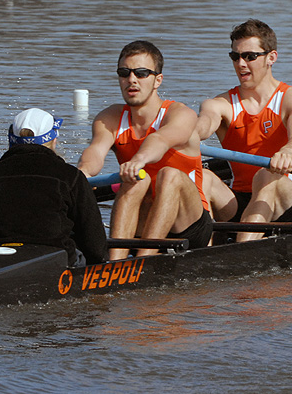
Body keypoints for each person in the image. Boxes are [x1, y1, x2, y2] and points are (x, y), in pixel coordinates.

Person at [78, 40, 212, 260]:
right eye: (124, 72)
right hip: (144, 217)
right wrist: (82, 173)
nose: (132, 80)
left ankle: (143, 260)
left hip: (189, 224)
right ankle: (115, 263)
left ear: (158, 80)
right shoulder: (109, 118)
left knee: (168, 175)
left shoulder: (180, 114)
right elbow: (95, 152)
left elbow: (159, 140)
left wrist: (138, 160)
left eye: (141, 73)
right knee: (137, 180)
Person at [196, 19, 292, 241]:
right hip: (239, 201)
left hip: (286, 201)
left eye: (250, 56)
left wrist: (287, 151)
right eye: (235, 56)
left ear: (271, 58)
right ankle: (199, 250)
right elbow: (203, 125)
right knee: (203, 177)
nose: (241, 63)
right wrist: (184, 135)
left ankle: (239, 253)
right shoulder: (219, 104)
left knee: (266, 175)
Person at [0, 108, 107, 267]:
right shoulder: (71, 176)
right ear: (53, 139)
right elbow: (96, 247)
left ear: (11, 140)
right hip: (55, 262)